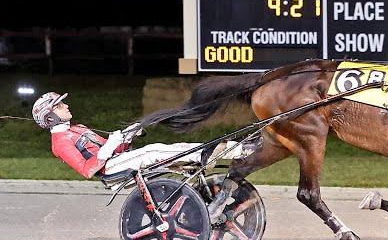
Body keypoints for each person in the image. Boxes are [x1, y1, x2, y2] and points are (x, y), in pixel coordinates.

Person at [32, 92, 245, 180]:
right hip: (111, 169)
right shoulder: (60, 143)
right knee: (153, 150)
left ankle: (237, 148)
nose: (66, 106)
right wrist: (110, 146)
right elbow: (87, 170)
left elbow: (113, 149)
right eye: (59, 106)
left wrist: (126, 137)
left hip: (116, 160)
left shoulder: (76, 129)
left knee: (168, 147)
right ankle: (203, 156)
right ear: (50, 117)